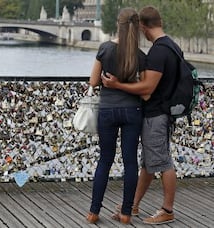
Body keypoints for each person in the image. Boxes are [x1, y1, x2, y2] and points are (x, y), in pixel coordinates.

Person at [101, 5, 178, 225]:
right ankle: (133, 205)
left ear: (143, 27)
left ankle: (167, 210)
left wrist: (118, 85)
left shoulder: (158, 51)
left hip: (156, 114)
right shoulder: (171, 46)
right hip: (162, 112)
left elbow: (147, 90)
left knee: (163, 163)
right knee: (149, 163)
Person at [86, 7, 146, 225]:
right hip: (132, 111)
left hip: (107, 110)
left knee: (105, 160)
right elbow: (145, 88)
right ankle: (126, 213)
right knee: (130, 162)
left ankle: (93, 212)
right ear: (137, 27)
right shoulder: (140, 55)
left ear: (117, 25)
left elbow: (93, 82)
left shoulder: (105, 49)